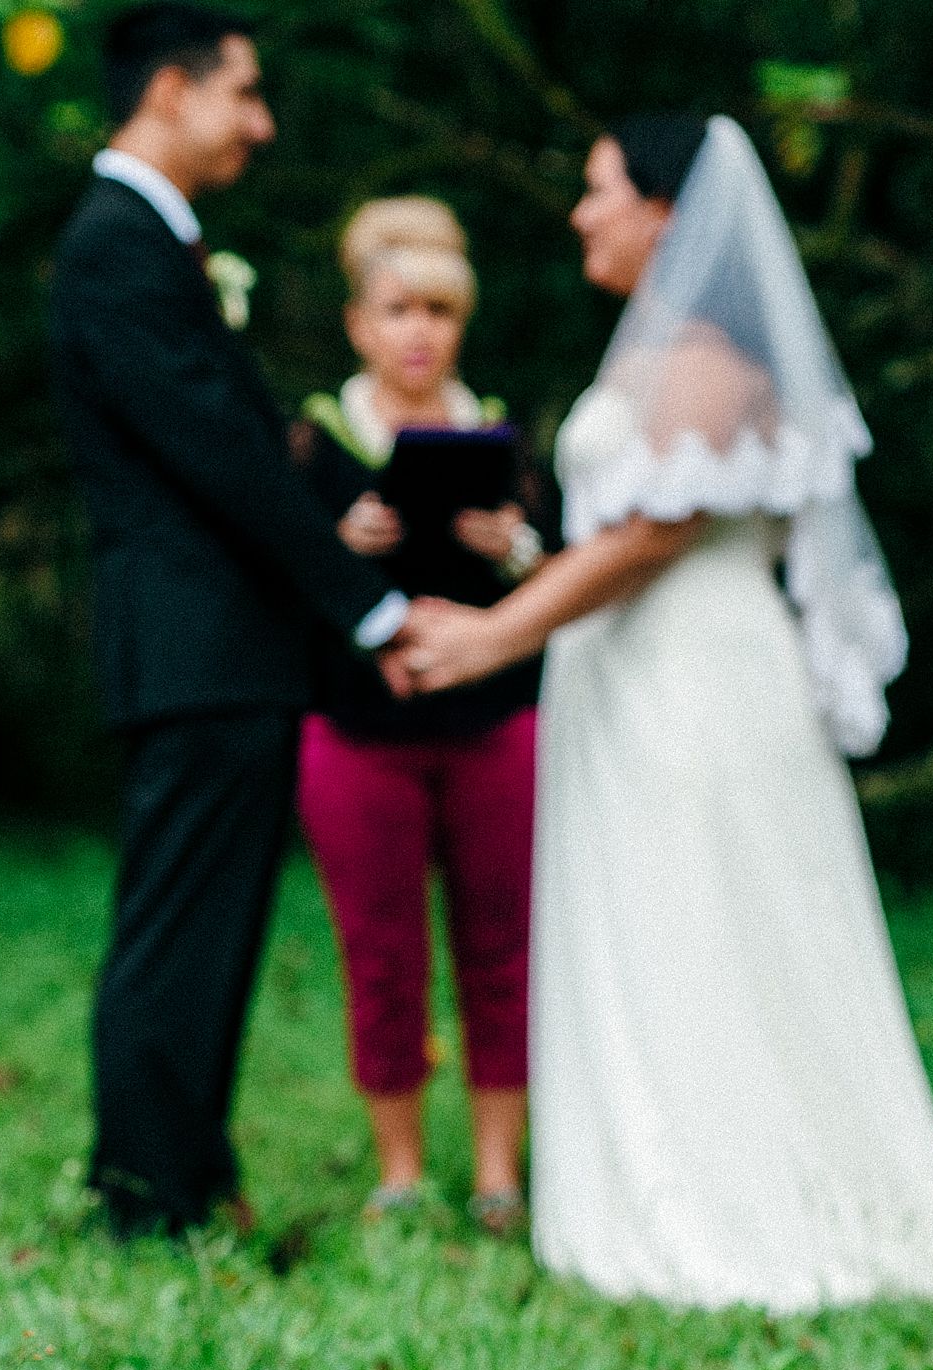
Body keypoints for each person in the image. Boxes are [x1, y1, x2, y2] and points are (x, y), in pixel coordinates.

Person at [397, 115, 933, 1311]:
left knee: (704, 918)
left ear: (669, 215)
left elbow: (661, 532)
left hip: (695, 679)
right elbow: (626, 528)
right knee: (648, 916)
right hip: (628, 673)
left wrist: (499, 629)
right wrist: (528, 555)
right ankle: (641, 1182)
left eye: (600, 191)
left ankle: (726, 1200)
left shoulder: (704, 356)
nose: (582, 214)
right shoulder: (652, 349)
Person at [46, 3, 437, 1237]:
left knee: (210, 925)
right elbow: (213, 451)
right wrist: (364, 604)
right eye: (245, 95)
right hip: (194, 642)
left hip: (220, 645)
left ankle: (188, 1175)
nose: (260, 125)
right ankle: (148, 1197)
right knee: (180, 924)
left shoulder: (150, 241)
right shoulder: (117, 242)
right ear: (172, 88)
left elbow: (235, 445)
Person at [288, 198, 547, 1234]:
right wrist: (337, 543)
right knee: (382, 953)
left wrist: (513, 546)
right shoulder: (315, 441)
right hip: (359, 734)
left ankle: (497, 1173)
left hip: (491, 728)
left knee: (502, 947)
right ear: (360, 321)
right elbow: (275, 589)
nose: (419, 331)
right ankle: (398, 1169)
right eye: (398, 308)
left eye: (439, 309)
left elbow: (564, 572)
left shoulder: (500, 435)